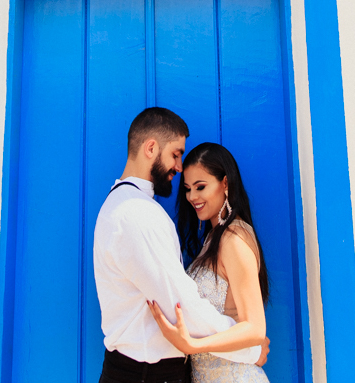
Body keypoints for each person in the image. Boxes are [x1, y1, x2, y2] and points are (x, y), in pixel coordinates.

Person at [93, 108, 267, 383]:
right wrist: (249, 349)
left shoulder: (123, 206)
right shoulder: (136, 212)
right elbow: (180, 305)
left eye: (200, 186)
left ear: (224, 184)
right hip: (145, 375)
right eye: (175, 154)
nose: (178, 165)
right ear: (151, 148)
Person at [149, 142, 271, 383]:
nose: (192, 197)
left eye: (200, 187)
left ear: (225, 184)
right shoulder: (213, 239)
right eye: (187, 189)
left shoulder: (234, 238)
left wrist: (192, 345)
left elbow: (256, 329)